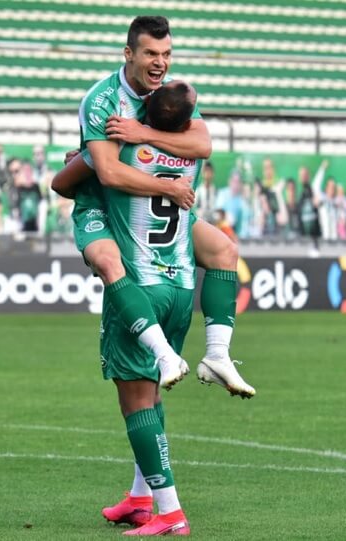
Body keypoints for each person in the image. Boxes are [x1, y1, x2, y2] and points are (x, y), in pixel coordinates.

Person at [61, 15, 253, 399]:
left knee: (224, 250)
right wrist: (171, 189)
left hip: (151, 206)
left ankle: (217, 354)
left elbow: (203, 145)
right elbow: (110, 175)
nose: (160, 62)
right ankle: (164, 354)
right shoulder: (101, 100)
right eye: (151, 53)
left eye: (166, 54)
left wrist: (142, 133)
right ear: (129, 53)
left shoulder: (167, 97)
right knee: (106, 259)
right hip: (107, 204)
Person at [53, 80, 199, 537]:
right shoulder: (188, 154)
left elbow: (70, 181)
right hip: (180, 283)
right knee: (151, 395)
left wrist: (84, 159)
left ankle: (170, 512)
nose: (160, 63)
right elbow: (203, 139)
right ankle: (141, 498)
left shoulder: (122, 150)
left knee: (135, 400)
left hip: (139, 285)